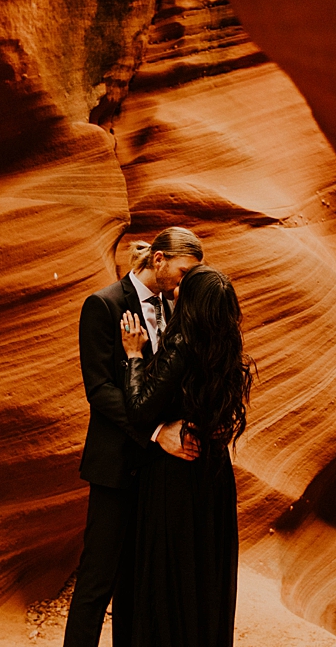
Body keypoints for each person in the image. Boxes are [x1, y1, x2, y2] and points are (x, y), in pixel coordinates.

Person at [64, 227, 205, 647]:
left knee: (141, 582)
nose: (185, 282)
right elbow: (100, 390)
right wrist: (158, 432)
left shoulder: (176, 308)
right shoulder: (103, 305)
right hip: (116, 464)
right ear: (158, 259)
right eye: (182, 271)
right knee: (97, 579)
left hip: (160, 471)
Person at [118, 264, 254, 647]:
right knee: (206, 574)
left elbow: (140, 409)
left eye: (182, 288)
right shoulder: (228, 345)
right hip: (214, 475)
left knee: (170, 576)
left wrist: (134, 355)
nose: (174, 292)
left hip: (175, 474)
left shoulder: (181, 345)